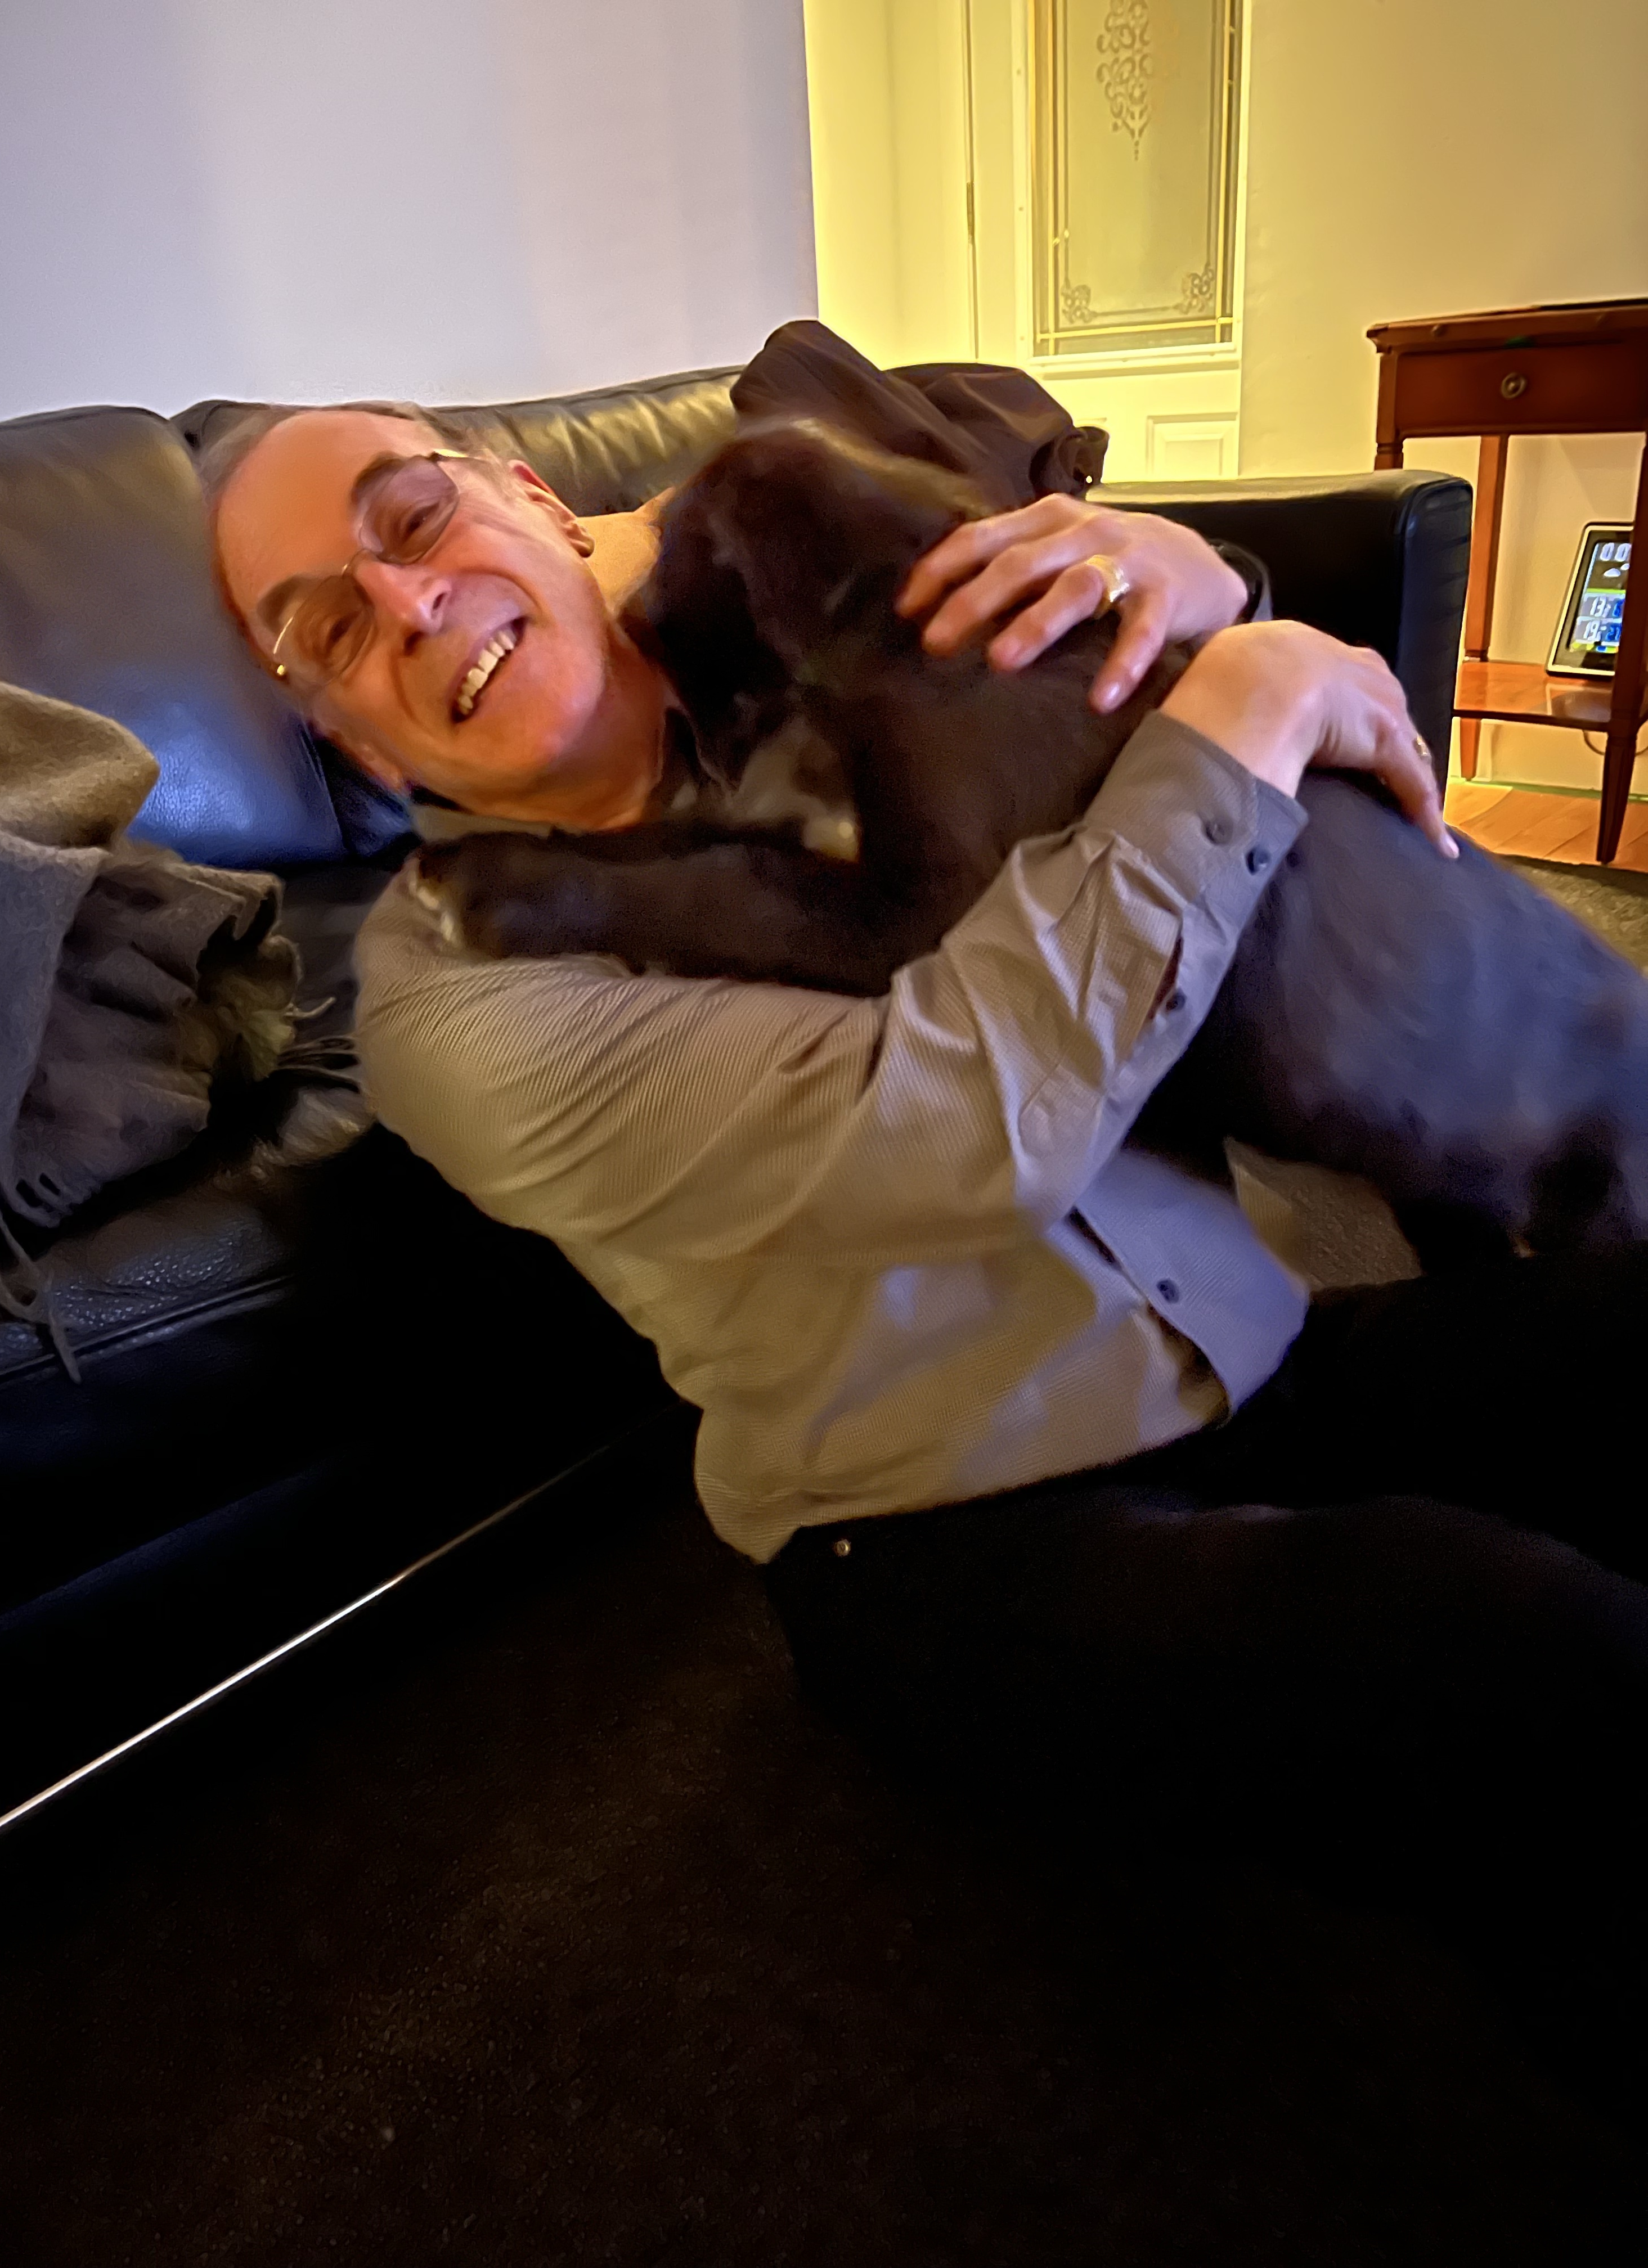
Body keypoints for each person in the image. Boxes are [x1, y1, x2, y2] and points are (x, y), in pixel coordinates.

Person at [209, 331, 1648, 2091]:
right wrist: (1250, 708)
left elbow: (1087, 633)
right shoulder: (455, 1001)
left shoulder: (793, 623)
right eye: (329, 631)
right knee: (1523, 1653)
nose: (405, 601)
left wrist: (1208, 588)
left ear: (537, 504)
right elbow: (974, 1120)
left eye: (414, 519)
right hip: (951, 1543)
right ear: (345, 743)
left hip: (1249, 1348)